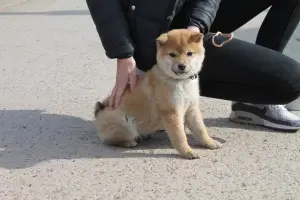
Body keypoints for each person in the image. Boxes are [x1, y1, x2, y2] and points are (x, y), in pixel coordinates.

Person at [86, 0, 300, 131]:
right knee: (290, 82)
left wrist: (196, 26)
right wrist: (125, 55)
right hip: (155, 42)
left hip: (188, 22)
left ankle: (253, 104)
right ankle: (156, 85)